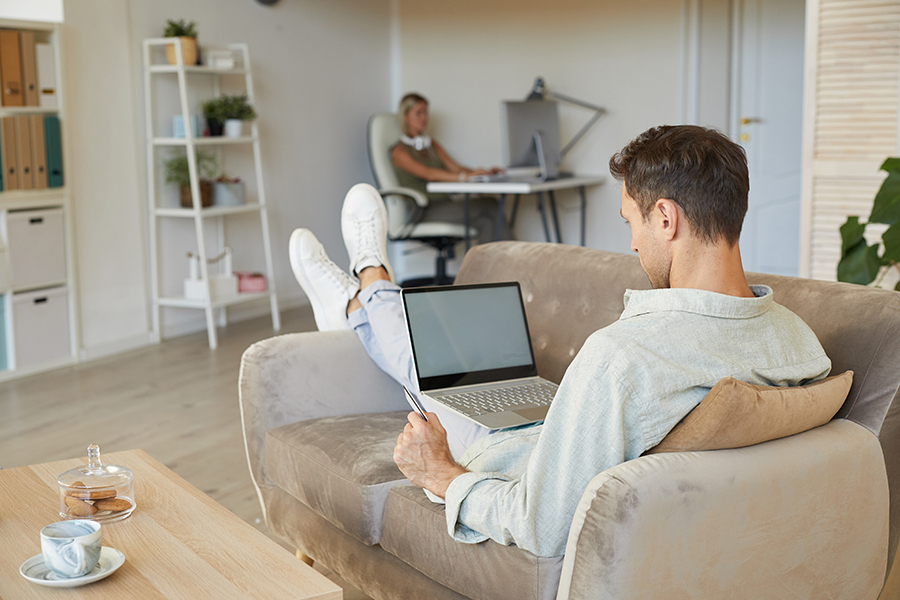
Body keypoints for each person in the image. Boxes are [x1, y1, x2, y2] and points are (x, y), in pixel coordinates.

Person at [289, 124, 832, 558]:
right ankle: (364, 294)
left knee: (432, 368)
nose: (635, 246)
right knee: (461, 367)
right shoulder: (800, 343)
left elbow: (540, 526)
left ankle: (366, 287)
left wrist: (442, 472)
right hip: (577, 434)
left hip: (509, 456)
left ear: (665, 218)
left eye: (631, 225)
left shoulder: (623, 357)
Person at [391, 92, 508, 244]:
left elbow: (455, 168)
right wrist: (465, 178)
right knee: (490, 204)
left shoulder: (431, 144)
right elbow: (428, 174)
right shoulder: (399, 151)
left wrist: (481, 173)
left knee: (487, 222)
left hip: (443, 204)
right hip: (423, 211)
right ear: (405, 117)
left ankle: (492, 266)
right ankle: (519, 262)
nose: (424, 118)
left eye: (425, 112)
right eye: (418, 113)